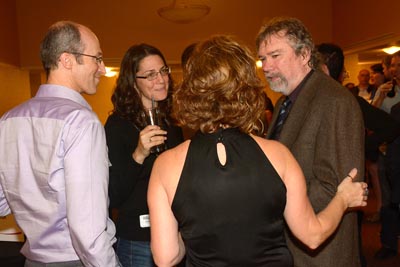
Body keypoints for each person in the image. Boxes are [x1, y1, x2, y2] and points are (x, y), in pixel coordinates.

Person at [147, 35, 368, 267]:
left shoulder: (165, 165)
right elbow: (312, 236)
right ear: (246, 88)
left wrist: (196, 229)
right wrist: (343, 198)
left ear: (192, 90)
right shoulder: (279, 155)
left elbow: (166, 257)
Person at [0, 21, 120, 266]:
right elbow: (88, 233)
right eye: (96, 58)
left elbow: (2, 204)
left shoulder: (8, 120)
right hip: (77, 260)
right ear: (67, 60)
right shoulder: (81, 122)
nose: (101, 67)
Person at [257, 17, 365, 267]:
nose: (266, 66)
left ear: (304, 54)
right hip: (293, 245)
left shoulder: (335, 100)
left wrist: (271, 207)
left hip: (323, 252)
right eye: (263, 58)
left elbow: (337, 185)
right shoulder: (286, 101)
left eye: (275, 55)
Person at [105, 43, 184, 267]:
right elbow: (114, 194)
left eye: (163, 71)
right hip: (138, 239)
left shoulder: (172, 121)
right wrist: (138, 154)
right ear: (133, 82)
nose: (161, 80)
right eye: (150, 75)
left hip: (174, 233)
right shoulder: (118, 125)